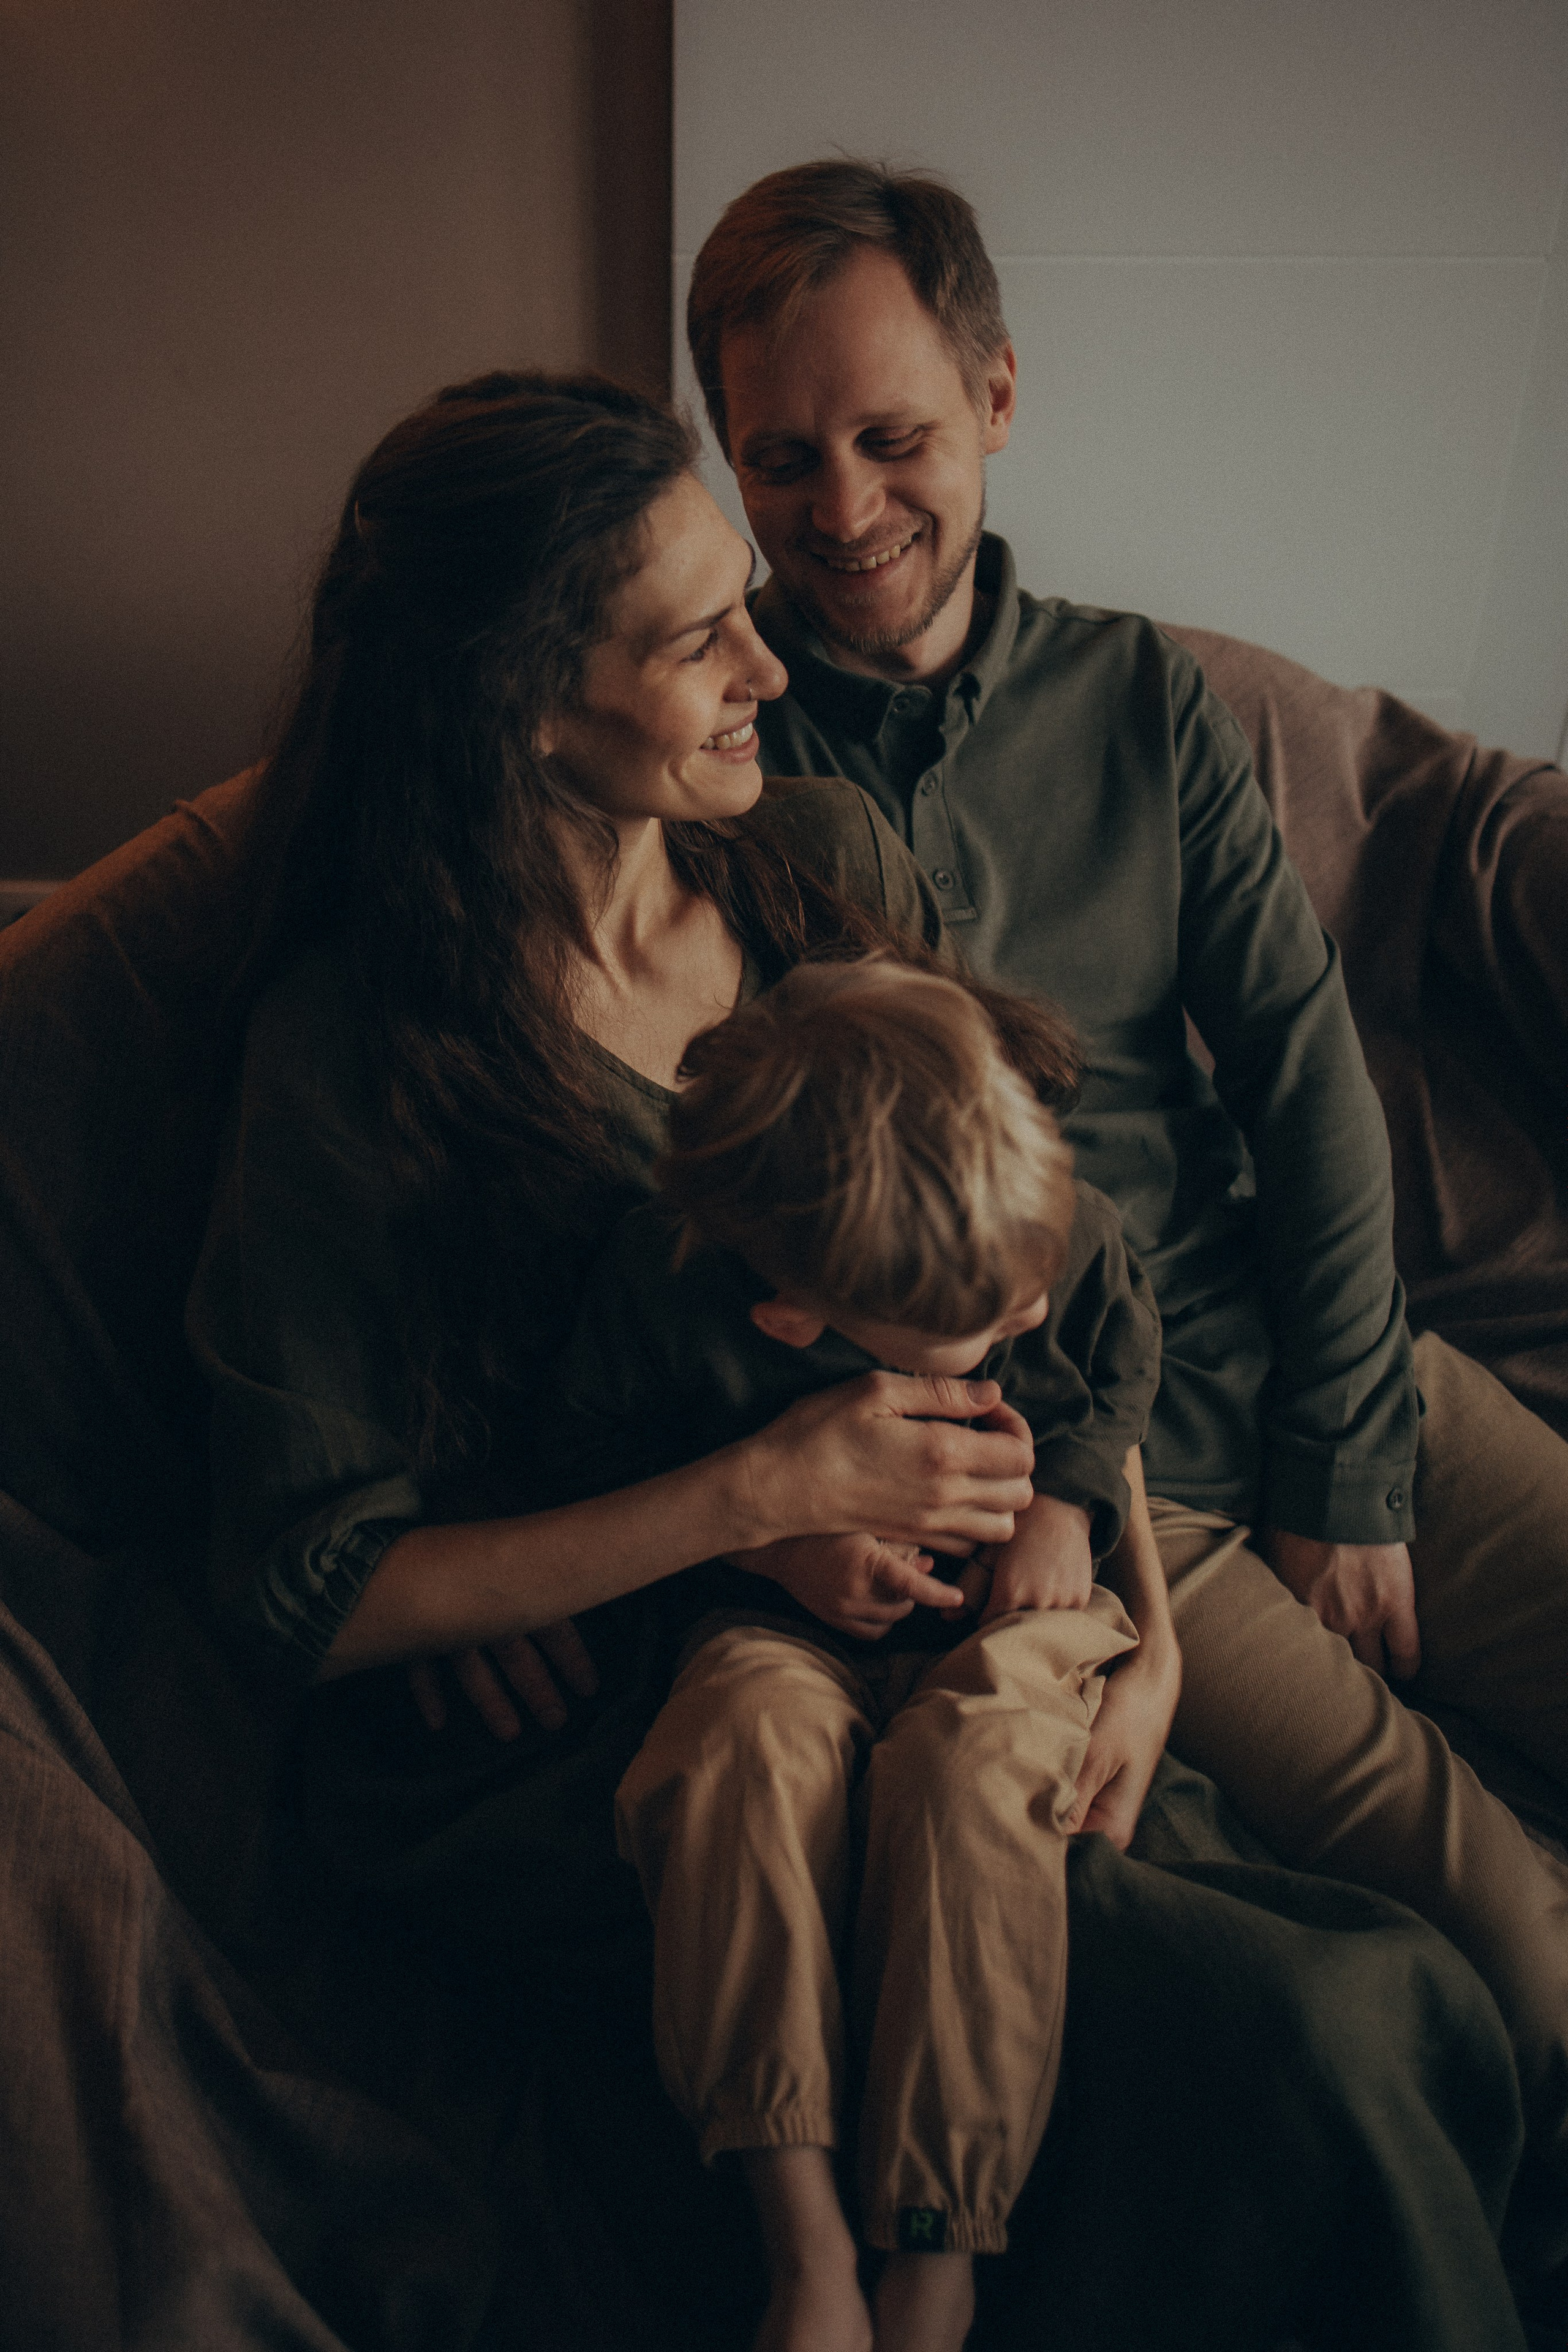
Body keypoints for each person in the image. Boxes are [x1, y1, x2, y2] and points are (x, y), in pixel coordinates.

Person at [183, 367, 1533, 2349]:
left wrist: (1145, 1615)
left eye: (749, 599)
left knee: (1350, 2009)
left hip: (950, 1640)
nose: (768, 659)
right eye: (700, 632)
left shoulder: (815, 866)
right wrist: (751, 1505)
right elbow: (298, 1586)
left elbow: (1044, 1256)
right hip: (658, 1735)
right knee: (1255, 2049)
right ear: (527, 699)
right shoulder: (362, 1058)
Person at [685, 158, 1568, 2272]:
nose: (843, 505)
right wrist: (1095, 1481)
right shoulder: (721, 768)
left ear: (997, 395)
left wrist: (1352, 1453)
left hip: (1321, 1354)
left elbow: (1310, 1082)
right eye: (780, 456)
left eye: (893, 437)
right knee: (1527, 1964)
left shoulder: (1144, 701)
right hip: (1101, 1463)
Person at [547, 956, 1165, 2352]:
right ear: (798, 1322)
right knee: (732, 1750)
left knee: (979, 1757)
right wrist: (765, 1549)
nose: (1026, 1318)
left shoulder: (1039, 1232)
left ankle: (935, 2240)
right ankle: (801, 2231)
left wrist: (1064, 1499)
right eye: (989, 1325)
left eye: (1031, 1296)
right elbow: (593, 1473)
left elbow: (1119, 1352)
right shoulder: (666, 1296)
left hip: (1005, 1613)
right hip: (776, 1623)